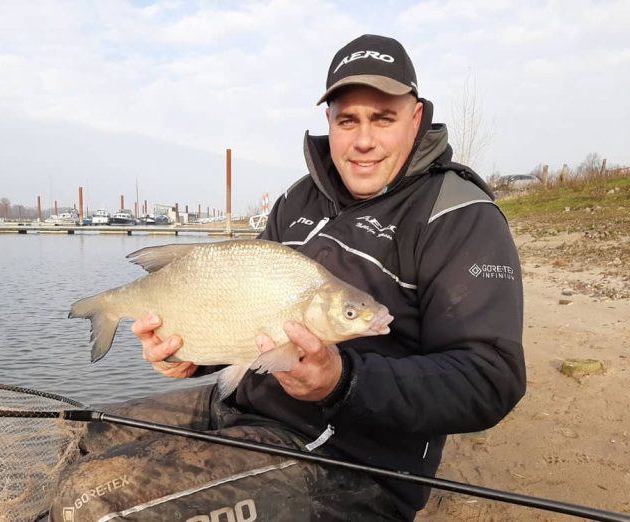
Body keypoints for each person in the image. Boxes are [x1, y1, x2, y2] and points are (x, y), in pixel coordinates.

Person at [51, 34, 525, 521]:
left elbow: (490, 379)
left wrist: (344, 382)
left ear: (416, 117)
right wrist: (189, 357)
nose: (363, 140)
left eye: (383, 118)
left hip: (345, 460)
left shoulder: (459, 215)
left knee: (94, 503)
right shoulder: (301, 199)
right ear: (330, 123)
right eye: (348, 120)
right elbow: (239, 313)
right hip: (243, 404)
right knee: (89, 434)